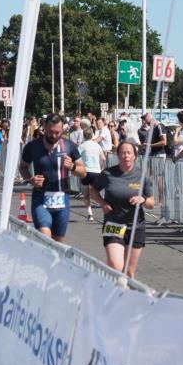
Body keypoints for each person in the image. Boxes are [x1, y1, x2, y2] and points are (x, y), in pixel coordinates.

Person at [85, 141, 154, 278]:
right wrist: (102, 203)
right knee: (116, 265)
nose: (126, 156)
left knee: (128, 271)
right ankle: (113, 292)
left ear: (134, 156)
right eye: (123, 153)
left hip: (135, 226)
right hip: (114, 224)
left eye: (129, 153)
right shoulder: (108, 174)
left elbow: (151, 203)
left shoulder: (142, 175)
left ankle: (127, 296)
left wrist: (143, 200)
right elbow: (93, 191)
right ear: (118, 156)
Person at [18, 114, 87, 243]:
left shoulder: (69, 146)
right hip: (41, 198)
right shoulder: (33, 146)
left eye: (57, 132)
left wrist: (72, 167)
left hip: (62, 198)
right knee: (45, 238)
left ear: (63, 130)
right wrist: (30, 179)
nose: (54, 136)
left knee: (58, 244)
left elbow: (83, 172)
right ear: (44, 127)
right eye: (50, 132)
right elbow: (23, 167)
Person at [78, 127, 105, 221]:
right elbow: (103, 159)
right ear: (93, 135)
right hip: (96, 171)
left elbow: (77, 158)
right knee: (96, 193)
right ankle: (105, 208)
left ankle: (90, 214)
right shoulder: (97, 145)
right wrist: (101, 167)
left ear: (84, 136)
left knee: (86, 195)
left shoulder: (82, 146)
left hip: (85, 171)